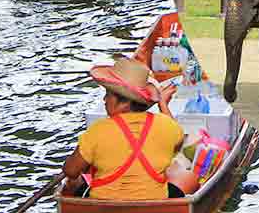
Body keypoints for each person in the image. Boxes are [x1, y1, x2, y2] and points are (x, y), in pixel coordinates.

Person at [62, 57, 190, 200]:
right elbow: (176, 145)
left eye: (108, 95)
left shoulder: (97, 130)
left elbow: (71, 171)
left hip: (105, 208)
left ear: (124, 103)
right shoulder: (167, 126)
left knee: (72, 184)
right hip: (153, 204)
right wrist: (163, 105)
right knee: (182, 181)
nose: (104, 100)